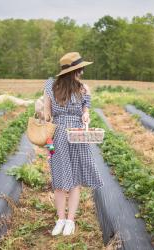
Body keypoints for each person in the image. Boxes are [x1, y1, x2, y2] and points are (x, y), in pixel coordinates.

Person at [43, 52, 104, 236]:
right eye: (80, 69)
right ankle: (61, 219)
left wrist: (86, 114)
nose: (82, 73)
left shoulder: (83, 89)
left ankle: (70, 221)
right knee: (59, 180)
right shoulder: (50, 87)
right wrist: (49, 147)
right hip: (58, 136)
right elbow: (47, 118)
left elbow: (86, 111)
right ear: (74, 71)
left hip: (77, 137)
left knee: (75, 180)